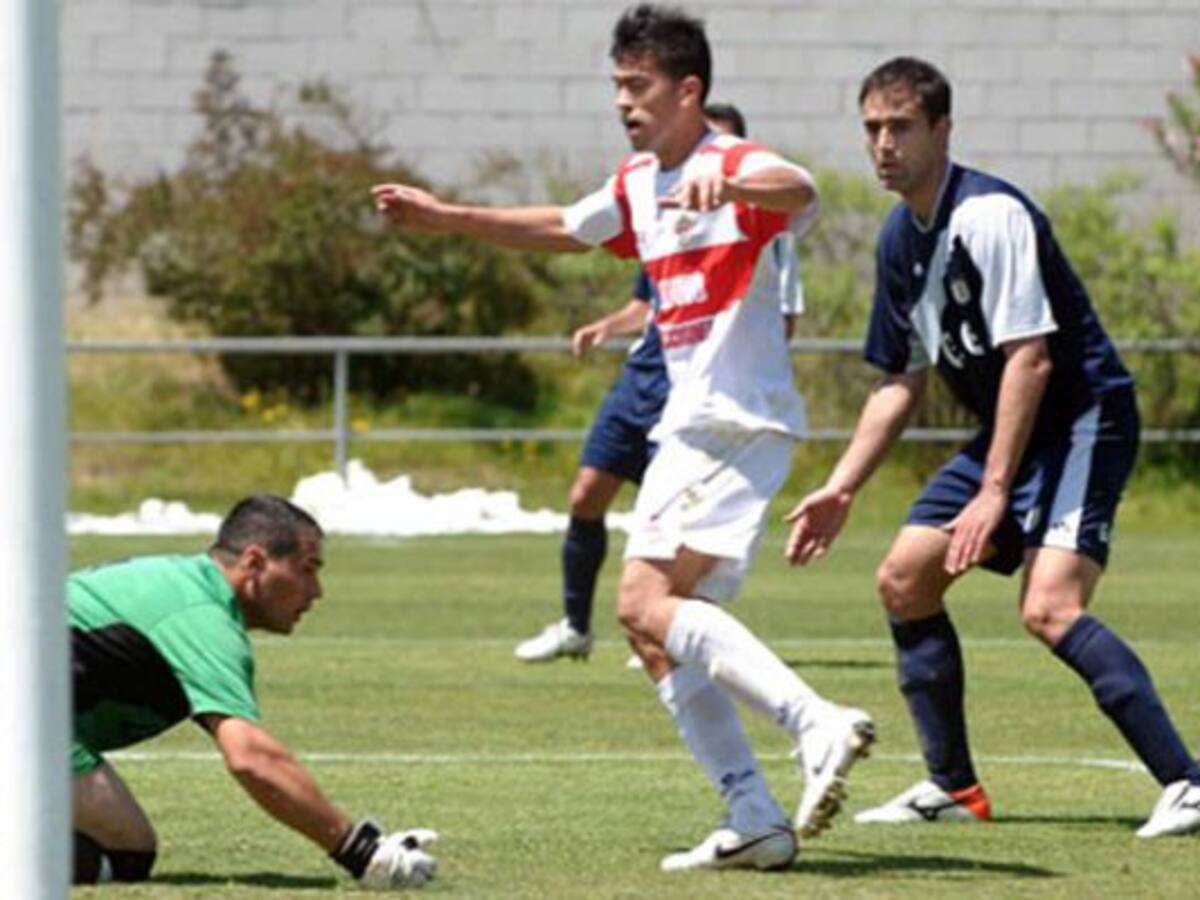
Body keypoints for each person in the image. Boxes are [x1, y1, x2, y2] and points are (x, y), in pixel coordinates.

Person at [374, 4, 873, 872]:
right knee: (660, 627)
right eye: (617, 86)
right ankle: (753, 814)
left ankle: (815, 723)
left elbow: (802, 190)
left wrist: (738, 186)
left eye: (638, 87)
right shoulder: (641, 180)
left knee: (640, 603)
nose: (623, 102)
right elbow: (565, 228)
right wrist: (446, 218)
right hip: (707, 421)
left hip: (727, 417)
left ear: (689, 90)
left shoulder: (729, 163)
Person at [785, 56, 1200, 839]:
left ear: (943, 130)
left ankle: (1187, 780)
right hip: (1016, 430)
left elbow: (1032, 358)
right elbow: (899, 382)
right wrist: (841, 488)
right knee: (905, 579)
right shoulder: (897, 239)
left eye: (901, 127)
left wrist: (994, 489)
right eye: (872, 128)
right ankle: (953, 786)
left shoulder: (990, 216)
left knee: (1048, 608)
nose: (883, 144)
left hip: (1083, 417)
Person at [515, 101, 805, 666]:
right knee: (586, 494)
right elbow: (645, 301)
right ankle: (580, 624)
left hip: (704, 394)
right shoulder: (659, 206)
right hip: (645, 377)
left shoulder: (763, 228)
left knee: (675, 548)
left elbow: (781, 305)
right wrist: (607, 326)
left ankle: (668, 622)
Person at [71, 495, 440, 887]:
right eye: (307, 570)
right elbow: (250, 757)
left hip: (28, 715)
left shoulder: (189, 590)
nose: (317, 591)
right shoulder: (203, 619)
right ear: (254, 563)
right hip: (21, 717)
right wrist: (361, 852)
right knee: (125, 851)